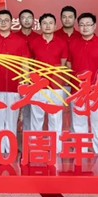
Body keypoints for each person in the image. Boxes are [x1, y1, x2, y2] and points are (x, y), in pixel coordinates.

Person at [67, 12, 98, 156]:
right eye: (82, 25)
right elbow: (69, 64)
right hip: (78, 91)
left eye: (88, 25)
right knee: (78, 124)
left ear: (94, 26)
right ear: (78, 26)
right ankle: (80, 154)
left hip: (97, 92)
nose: (85, 27)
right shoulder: (73, 43)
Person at [0, 10, 30, 154]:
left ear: (11, 22)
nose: (3, 23)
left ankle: (10, 148)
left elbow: (25, 63)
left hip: (14, 86)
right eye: (0, 20)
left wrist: (25, 81)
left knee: (12, 119)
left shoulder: (19, 41)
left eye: (6, 20)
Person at [28, 13, 68, 152]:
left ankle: (56, 148)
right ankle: (36, 148)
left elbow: (62, 64)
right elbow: (30, 63)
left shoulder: (62, 43)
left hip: (56, 86)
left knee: (55, 118)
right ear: (40, 25)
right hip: (37, 86)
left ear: (55, 25)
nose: (47, 26)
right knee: (36, 118)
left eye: (50, 23)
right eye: (44, 23)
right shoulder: (34, 42)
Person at [14, 9, 41, 131]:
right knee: (16, 110)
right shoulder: (14, 37)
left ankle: (31, 139)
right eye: (23, 18)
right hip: (17, 79)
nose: (26, 20)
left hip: (35, 80)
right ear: (19, 20)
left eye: (29, 17)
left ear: (33, 20)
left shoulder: (39, 38)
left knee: (33, 110)